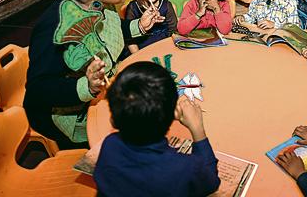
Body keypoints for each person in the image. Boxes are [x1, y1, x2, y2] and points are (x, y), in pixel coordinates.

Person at [24, 0, 145, 148]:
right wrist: (86, 86)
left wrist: (140, 26)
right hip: (64, 111)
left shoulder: (97, 3)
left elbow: (112, 29)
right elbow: (39, 89)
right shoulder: (55, 27)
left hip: (101, 89)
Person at [94, 62, 220, 196]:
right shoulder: (184, 168)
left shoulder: (110, 145)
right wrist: (197, 129)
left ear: (113, 121)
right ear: (173, 113)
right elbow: (211, 182)